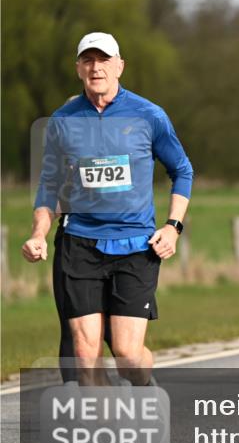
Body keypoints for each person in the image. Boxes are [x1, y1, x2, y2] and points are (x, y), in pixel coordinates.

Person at [21, 32, 193, 386]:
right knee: (85, 355)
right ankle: (103, 418)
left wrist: (173, 226)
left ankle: (143, 385)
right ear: (78, 68)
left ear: (119, 67)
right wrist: (38, 234)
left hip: (136, 245)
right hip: (80, 243)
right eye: (88, 60)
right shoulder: (63, 120)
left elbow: (182, 170)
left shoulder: (149, 115)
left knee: (128, 355)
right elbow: (49, 186)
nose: (95, 67)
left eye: (103, 60)